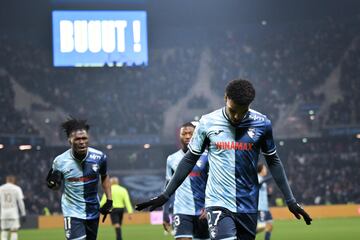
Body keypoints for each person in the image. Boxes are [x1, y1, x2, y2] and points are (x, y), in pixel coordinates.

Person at [136, 79, 312, 240]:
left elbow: (273, 161)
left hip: (248, 205)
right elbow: (190, 159)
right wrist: (166, 194)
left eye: (242, 112)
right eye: (233, 110)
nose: (236, 117)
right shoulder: (207, 122)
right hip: (218, 202)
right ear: (225, 98)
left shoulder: (262, 124)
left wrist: (290, 200)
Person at [46, 118, 113, 240]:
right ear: (70, 141)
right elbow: (55, 186)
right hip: (72, 212)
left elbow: (104, 176)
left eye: (84, 138)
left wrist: (109, 200)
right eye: (77, 139)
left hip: (93, 210)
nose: (82, 142)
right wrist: (52, 184)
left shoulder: (99, 157)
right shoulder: (60, 161)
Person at [163, 122, 209, 240]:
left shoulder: (207, 157)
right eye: (184, 133)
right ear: (179, 136)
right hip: (181, 211)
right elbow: (168, 188)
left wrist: (209, 206)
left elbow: (214, 184)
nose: (187, 136)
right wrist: (165, 213)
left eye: (190, 133)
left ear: (196, 135)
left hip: (203, 212)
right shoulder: (172, 159)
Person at [0, 176, 26, 240]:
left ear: (6, 180)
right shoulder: (17, 188)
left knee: (4, 231)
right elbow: (20, 202)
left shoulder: (1, 188)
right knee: (14, 231)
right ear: (14, 181)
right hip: (13, 214)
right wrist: (23, 213)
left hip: (3, 214)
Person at [256, 163, 273, 240]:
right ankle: (247, 234)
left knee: (270, 225)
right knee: (262, 226)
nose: (266, 170)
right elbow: (259, 184)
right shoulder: (258, 178)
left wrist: (269, 194)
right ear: (261, 170)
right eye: (265, 168)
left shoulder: (263, 180)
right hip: (260, 207)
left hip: (265, 208)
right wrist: (272, 176)